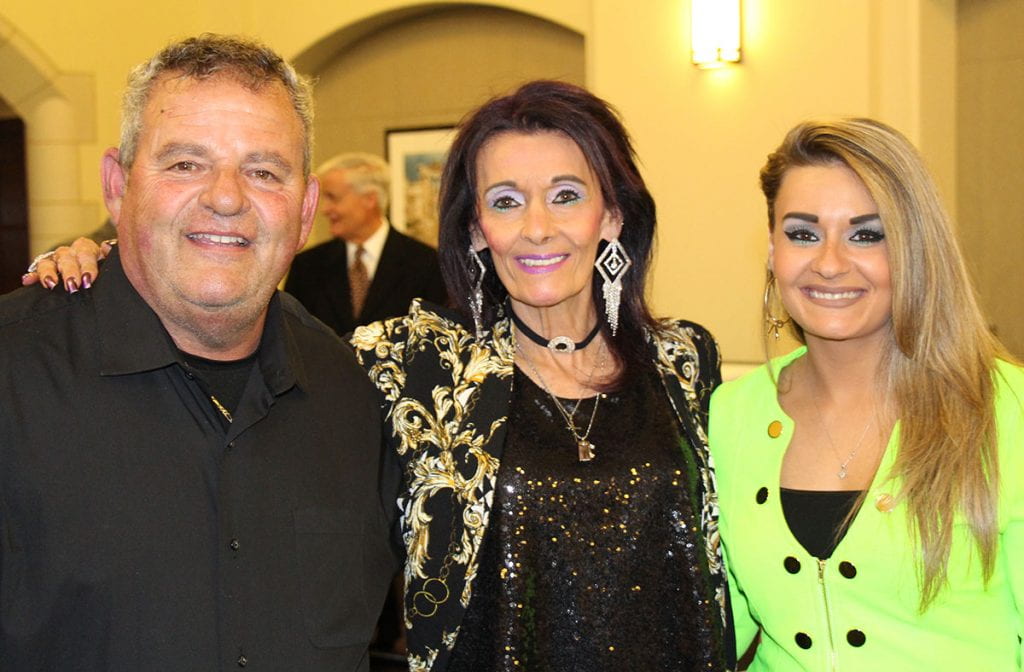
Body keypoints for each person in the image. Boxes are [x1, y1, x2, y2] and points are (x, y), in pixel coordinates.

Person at [30, 80, 735, 671]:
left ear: (611, 215)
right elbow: (237, 318)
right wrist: (105, 259)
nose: (537, 229)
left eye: (566, 195)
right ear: (472, 230)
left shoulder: (683, 362)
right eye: (506, 202)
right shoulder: (409, 365)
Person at [1, 34, 397, 671]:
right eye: (185, 163)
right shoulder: (15, 378)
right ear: (116, 185)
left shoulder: (353, 394)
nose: (226, 196)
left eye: (264, 171)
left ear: (305, 211)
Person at [709, 118, 1023, 670]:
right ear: (770, 251)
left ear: (914, 249)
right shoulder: (727, 416)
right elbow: (710, 632)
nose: (830, 263)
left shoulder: (1005, 410)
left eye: (866, 234)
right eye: (802, 233)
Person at [284, 153, 447, 336]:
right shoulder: (307, 265)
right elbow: (292, 337)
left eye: (333, 198)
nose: (325, 209)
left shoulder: (427, 264)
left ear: (370, 199)